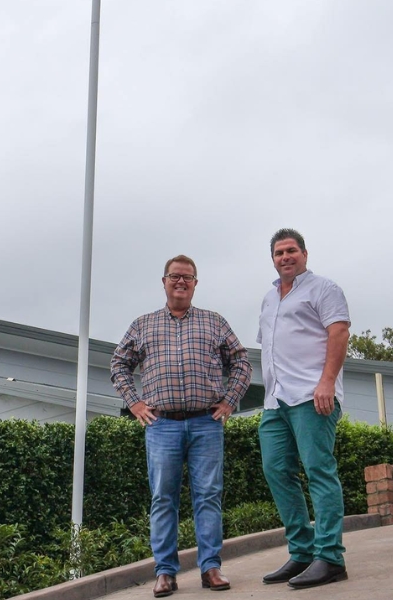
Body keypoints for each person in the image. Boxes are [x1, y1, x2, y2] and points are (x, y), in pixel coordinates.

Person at [110, 255, 252, 598]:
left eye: (187, 277)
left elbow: (242, 362)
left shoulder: (214, 321)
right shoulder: (142, 324)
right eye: (175, 276)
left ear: (195, 283)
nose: (181, 282)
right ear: (163, 281)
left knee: (209, 497)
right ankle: (164, 572)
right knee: (163, 499)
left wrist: (230, 400)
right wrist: (135, 403)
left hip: (206, 422)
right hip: (162, 426)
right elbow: (118, 363)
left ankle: (211, 568)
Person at [257, 228, 351, 589]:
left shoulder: (324, 289)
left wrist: (326, 381)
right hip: (275, 400)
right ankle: (301, 552)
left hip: (313, 397)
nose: (285, 257)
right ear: (273, 259)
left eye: (291, 250)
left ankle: (330, 557)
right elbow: (270, 347)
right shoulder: (268, 299)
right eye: (279, 253)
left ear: (305, 254)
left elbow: (339, 332)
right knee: (276, 470)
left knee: (319, 471)